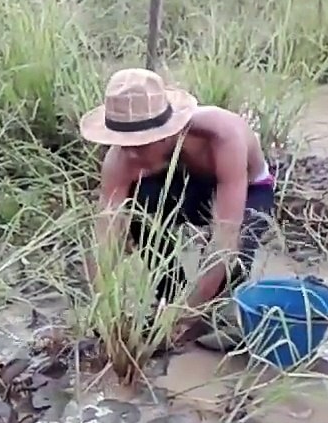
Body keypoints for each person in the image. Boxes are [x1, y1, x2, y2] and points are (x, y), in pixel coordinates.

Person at [78, 68, 276, 350]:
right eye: (124, 143)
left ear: (169, 129)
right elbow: (105, 239)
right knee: (140, 204)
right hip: (184, 185)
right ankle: (170, 294)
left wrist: (182, 321)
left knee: (235, 257)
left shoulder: (222, 137)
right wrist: (106, 312)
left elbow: (224, 243)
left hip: (248, 189)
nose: (131, 153)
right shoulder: (121, 160)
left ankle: (209, 314)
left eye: (142, 143)